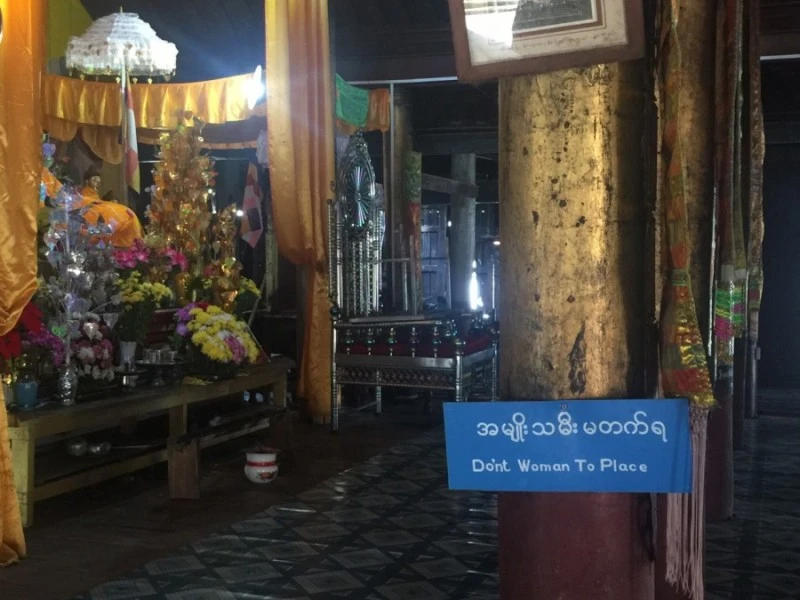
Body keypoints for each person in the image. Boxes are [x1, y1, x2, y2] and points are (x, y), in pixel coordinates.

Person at [75, 165, 143, 248]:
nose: (97, 184)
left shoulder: (97, 198)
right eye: (94, 180)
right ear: (87, 181)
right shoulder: (84, 198)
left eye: (98, 182)